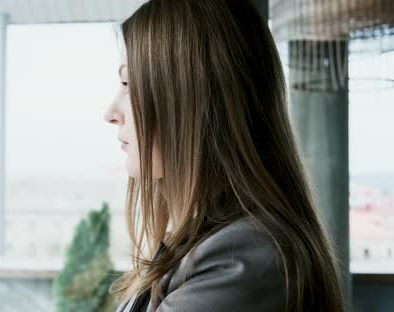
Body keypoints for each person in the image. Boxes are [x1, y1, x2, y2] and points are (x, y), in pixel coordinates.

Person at [102, 0, 346, 311]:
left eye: (129, 84)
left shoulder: (241, 259)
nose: (111, 113)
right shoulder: (208, 244)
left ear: (192, 99)